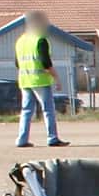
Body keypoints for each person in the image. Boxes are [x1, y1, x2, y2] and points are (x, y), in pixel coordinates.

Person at [14, 10, 68, 149]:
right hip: (40, 80)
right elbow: (46, 63)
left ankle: (21, 139)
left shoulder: (21, 40)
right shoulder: (40, 40)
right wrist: (57, 78)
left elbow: (17, 63)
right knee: (48, 110)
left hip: (25, 80)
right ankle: (52, 138)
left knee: (26, 110)